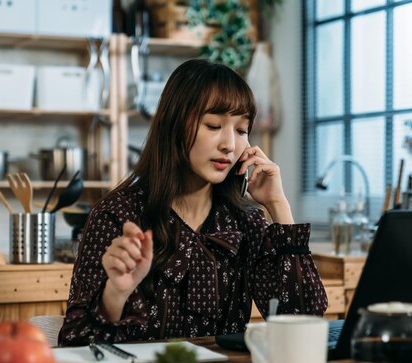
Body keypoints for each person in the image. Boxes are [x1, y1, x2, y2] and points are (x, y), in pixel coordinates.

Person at [58, 59, 327, 346]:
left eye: (241, 130)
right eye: (214, 125)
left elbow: (304, 321)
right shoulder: (117, 214)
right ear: (173, 124)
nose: (230, 145)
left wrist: (278, 205)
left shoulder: (246, 221)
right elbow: (75, 342)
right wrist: (115, 294)